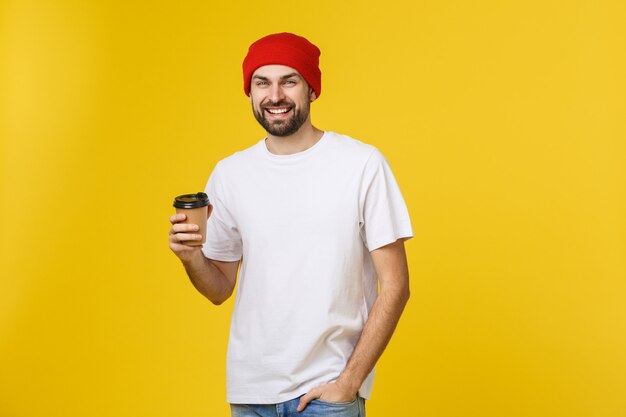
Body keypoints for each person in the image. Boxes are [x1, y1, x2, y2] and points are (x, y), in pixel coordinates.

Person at [169, 32, 413, 417]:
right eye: (262, 83)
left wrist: (349, 383)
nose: (275, 95)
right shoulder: (230, 174)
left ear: (312, 89)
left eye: (290, 80)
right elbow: (219, 289)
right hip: (252, 395)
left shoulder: (361, 164)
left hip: (327, 395)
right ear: (249, 92)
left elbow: (396, 285)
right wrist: (190, 257)